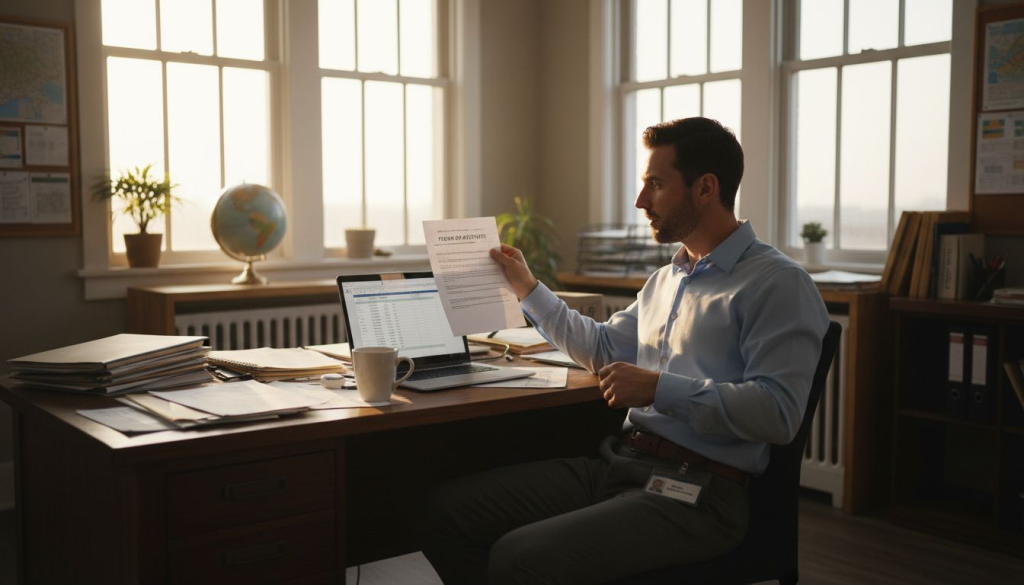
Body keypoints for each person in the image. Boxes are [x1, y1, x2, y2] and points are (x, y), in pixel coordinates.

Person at [416, 117, 829, 585]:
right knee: (444, 513)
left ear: (705, 188)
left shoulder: (777, 284)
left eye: (656, 184)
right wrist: (528, 288)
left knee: (519, 558)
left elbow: (777, 413)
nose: (640, 201)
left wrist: (659, 388)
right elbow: (602, 347)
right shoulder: (668, 278)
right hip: (621, 464)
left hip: (699, 493)